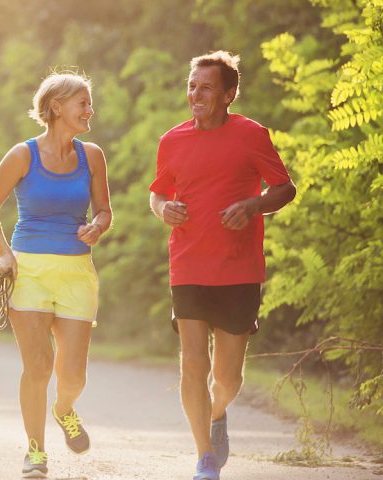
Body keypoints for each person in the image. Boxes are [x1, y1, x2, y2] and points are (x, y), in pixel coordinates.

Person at [148, 51, 296, 480]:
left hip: (238, 269)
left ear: (229, 94)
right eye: (192, 85)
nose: (196, 93)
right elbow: (156, 193)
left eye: (207, 87)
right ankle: (205, 456)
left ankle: (216, 413)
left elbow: (285, 189)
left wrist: (253, 206)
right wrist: (162, 210)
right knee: (193, 363)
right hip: (188, 263)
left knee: (228, 377)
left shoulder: (251, 135)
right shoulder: (171, 140)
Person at [0, 71, 113, 479]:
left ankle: (64, 409)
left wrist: (98, 226)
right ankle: (35, 451)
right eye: (82, 103)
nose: (90, 110)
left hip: (76, 272)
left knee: (73, 374)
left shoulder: (92, 155)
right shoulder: (23, 155)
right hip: (28, 270)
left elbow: (104, 209)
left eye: (90, 104)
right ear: (56, 107)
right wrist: (4, 254)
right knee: (37, 366)